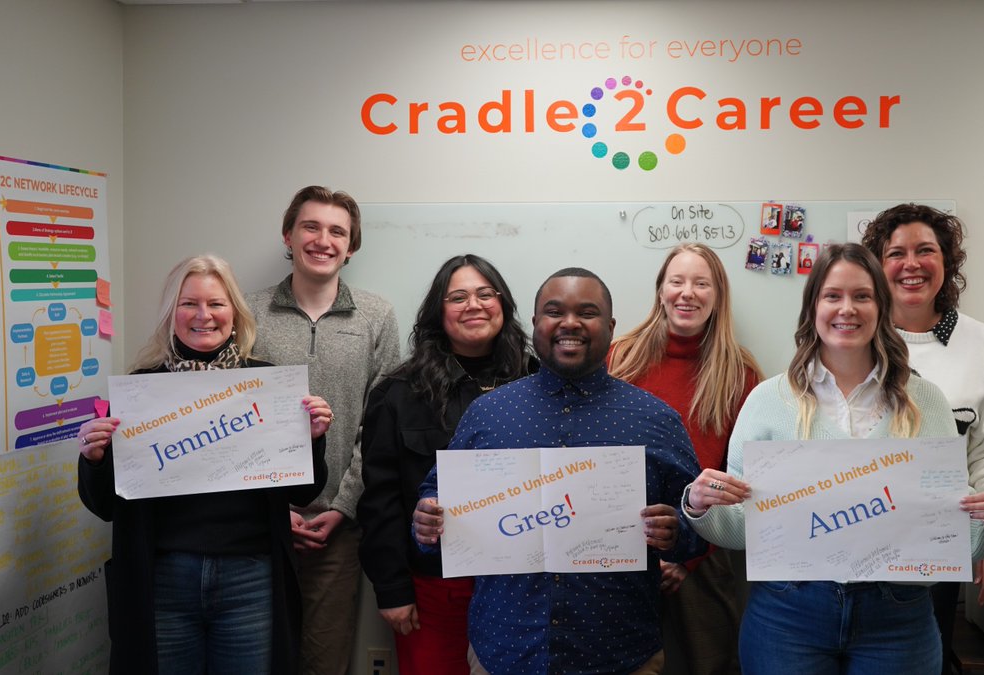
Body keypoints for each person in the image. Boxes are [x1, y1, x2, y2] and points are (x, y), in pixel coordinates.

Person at [681, 244, 984, 674]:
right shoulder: (767, 401)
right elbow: (739, 529)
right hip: (788, 614)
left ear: (881, 307)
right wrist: (699, 506)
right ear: (812, 308)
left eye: (862, 296)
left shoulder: (927, 402)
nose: (848, 309)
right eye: (832, 295)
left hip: (898, 617)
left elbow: (949, 532)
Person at [412, 267, 707, 675]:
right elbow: (436, 499)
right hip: (504, 651)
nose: (570, 323)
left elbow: (698, 522)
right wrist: (427, 519)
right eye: (554, 312)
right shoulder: (489, 415)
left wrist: (677, 530)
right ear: (535, 324)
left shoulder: (655, 420)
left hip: (620, 655)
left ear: (610, 326)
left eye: (587, 312)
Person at [76, 254, 332, 675]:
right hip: (163, 579)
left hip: (250, 577)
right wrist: (95, 459)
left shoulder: (269, 385)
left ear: (234, 313)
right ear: (170, 314)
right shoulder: (139, 390)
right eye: (189, 304)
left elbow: (303, 493)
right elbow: (105, 506)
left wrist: (312, 441)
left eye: (216, 303)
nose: (203, 316)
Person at [862, 203, 984, 673]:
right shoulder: (852, 336)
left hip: (940, 547)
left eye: (925, 251)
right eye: (896, 253)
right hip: (854, 540)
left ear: (947, 262)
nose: (911, 264)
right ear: (877, 265)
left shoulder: (982, 343)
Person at [246, 185, 401, 675]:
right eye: (310, 227)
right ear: (288, 235)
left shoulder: (377, 315)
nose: (323, 239)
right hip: (255, 524)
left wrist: (341, 508)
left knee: (323, 661)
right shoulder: (245, 313)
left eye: (338, 231)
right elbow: (232, 421)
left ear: (351, 246)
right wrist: (272, 510)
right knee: (253, 657)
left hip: (338, 528)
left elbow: (379, 426)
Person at [358, 254, 536, 675]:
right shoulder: (399, 394)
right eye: (458, 297)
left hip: (524, 585)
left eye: (484, 294)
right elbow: (380, 499)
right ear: (439, 311)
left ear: (503, 304)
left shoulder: (540, 382)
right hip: (436, 590)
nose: (473, 305)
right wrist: (392, 589)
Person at [608, 243, 763, 675]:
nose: (687, 293)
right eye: (676, 281)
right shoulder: (617, 358)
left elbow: (744, 477)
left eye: (701, 283)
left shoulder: (740, 373)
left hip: (701, 559)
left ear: (718, 296)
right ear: (660, 290)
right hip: (612, 548)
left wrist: (686, 555)